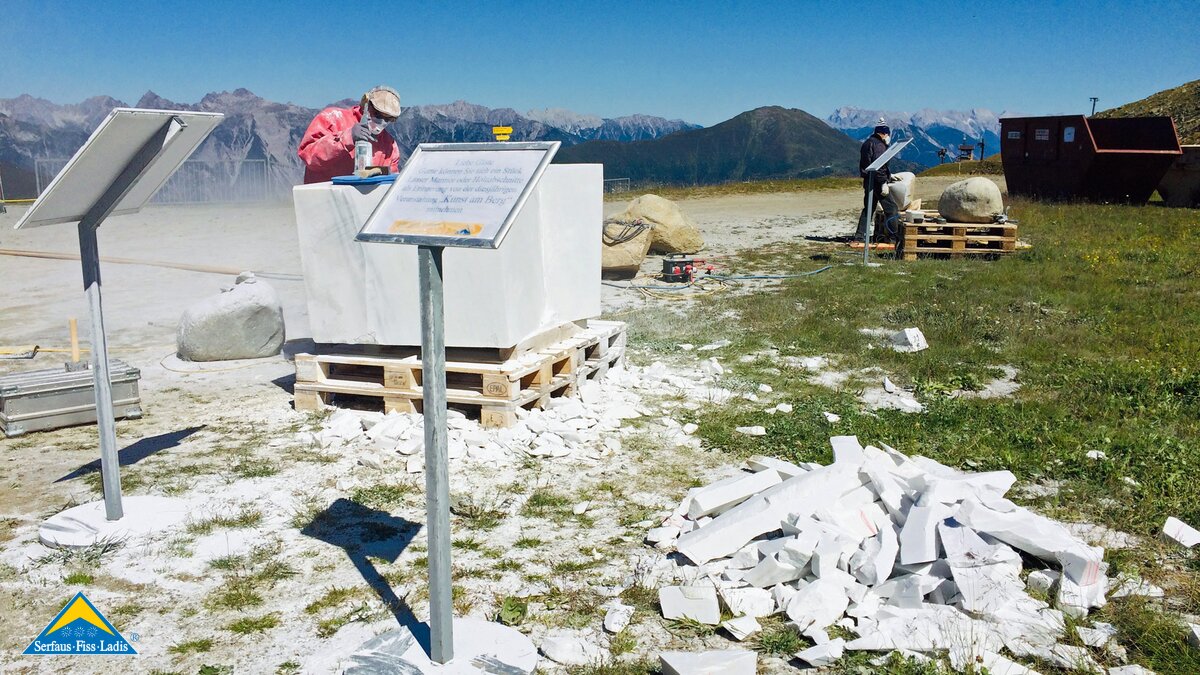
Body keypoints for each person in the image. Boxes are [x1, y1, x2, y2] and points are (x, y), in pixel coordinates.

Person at [298, 86, 402, 184]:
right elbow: (308, 155)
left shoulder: (390, 146)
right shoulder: (332, 119)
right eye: (378, 114)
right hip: (323, 198)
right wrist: (346, 138)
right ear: (366, 104)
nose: (382, 121)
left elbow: (390, 182)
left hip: (362, 201)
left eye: (388, 119)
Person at [855, 122, 902, 243]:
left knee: (868, 209)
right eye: (888, 135)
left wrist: (890, 175)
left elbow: (869, 163)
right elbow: (879, 165)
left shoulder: (868, 142)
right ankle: (893, 238)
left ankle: (860, 236)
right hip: (877, 182)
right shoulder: (879, 145)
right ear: (884, 134)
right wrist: (883, 182)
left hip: (869, 180)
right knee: (891, 208)